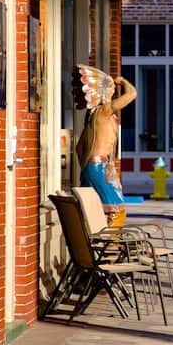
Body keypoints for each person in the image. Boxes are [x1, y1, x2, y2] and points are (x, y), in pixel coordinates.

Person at [73, 64, 136, 228]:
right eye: (111, 90)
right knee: (117, 210)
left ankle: (100, 242)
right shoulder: (104, 111)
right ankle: (110, 248)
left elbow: (79, 148)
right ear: (104, 92)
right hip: (99, 166)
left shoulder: (95, 115)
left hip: (95, 165)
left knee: (97, 210)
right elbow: (132, 94)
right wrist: (122, 81)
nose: (113, 93)